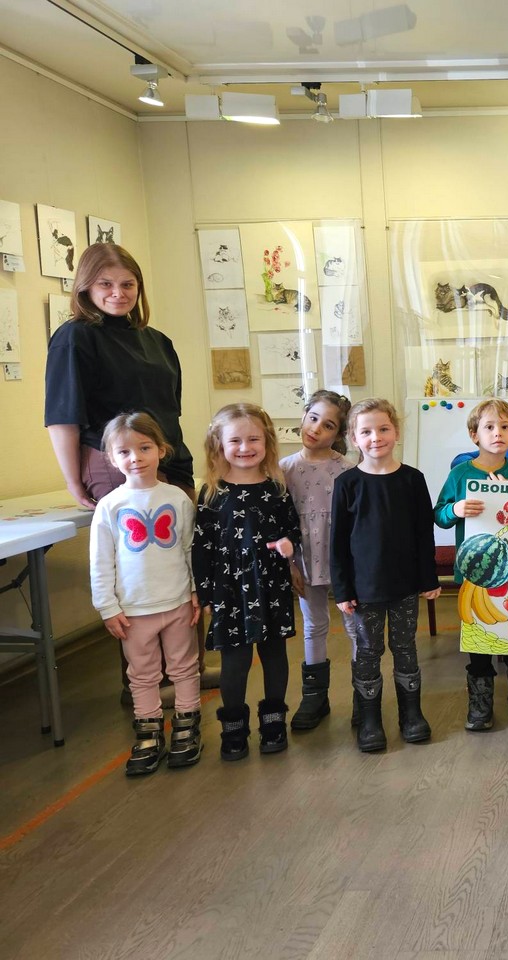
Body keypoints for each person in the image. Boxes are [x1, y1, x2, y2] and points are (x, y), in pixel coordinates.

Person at [44, 243, 214, 700]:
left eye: (127, 284)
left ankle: (187, 671)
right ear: (85, 287)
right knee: (139, 566)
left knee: (183, 559)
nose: (118, 293)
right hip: (115, 464)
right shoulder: (74, 337)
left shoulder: (158, 342)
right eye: (105, 284)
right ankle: (143, 682)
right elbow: (62, 416)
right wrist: (74, 479)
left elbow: (171, 410)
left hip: (170, 459)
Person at [89, 412, 202, 775]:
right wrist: (107, 607)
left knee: (184, 667)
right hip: (133, 611)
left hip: (177, 602)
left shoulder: (177, 498)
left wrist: (196, 590)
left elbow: (189, 548)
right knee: (141, 673)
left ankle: (187, 725)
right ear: (111, 458)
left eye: (144, 448)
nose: (135, 458)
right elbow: (100, 561)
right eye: (124, 452)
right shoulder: (110, 505)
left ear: (161, 450)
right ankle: (149, 731)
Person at [331, 399, 442, 752]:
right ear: (353, 438)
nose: (375, 437)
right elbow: (337, 543)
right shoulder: (347, 483)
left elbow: (424, 533)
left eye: (383, 429)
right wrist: (342, 589)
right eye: (366, 431)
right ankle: (369, 719)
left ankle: (411, 714)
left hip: (405, 586)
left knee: (405, 647)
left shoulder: (412, 479)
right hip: (364, 590)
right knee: (368, 650)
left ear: (396, 432)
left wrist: (429, 579)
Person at [194, 404, 300, 761]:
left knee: (274, 655)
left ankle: (273, 722)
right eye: (235, 440)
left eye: (253, 439)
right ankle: (234, 728)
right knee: (235, 661)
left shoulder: (277, 489)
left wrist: (289, 544)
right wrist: (205, 594)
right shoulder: (212, 493)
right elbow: (202, 547)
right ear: (219, 445)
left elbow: (293, 529)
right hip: (229, 591)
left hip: (271, 587)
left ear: (266, 442)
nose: (245, 447)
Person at [436, 398, 508, 731]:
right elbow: (439, 515)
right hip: (475, 574)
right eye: (489, 427)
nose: (498, 433)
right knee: (479, 640)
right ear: (475, 435)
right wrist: (455, 510)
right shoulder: (460, 474)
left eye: (505, 427)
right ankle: (480, 702)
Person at [280, 390, 356, 731]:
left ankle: (363, 695)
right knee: (313, 625)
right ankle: (315, 696)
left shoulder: (348, 470)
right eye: (313, 418)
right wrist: (290, 565)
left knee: (355, 626)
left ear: (338, 434)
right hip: (304, 560)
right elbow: (280, 523)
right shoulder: (283, 470)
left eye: (328, 425)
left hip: (343, 560)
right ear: (304, 415)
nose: (316, 429)